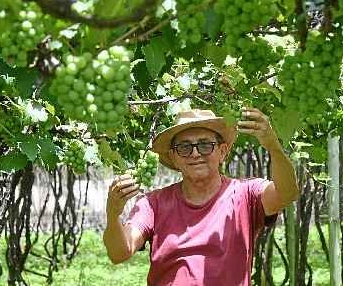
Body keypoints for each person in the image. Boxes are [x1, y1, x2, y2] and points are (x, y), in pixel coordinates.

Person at [103, 107, 299, 285]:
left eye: (205, 145)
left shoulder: (245, 194)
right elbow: (119, 253)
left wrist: (273, 145)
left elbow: (287, 193)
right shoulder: (152, 204)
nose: (196, 154)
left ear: (223, 152)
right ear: (174, 158)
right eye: (185, 147)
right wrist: (113, 214)